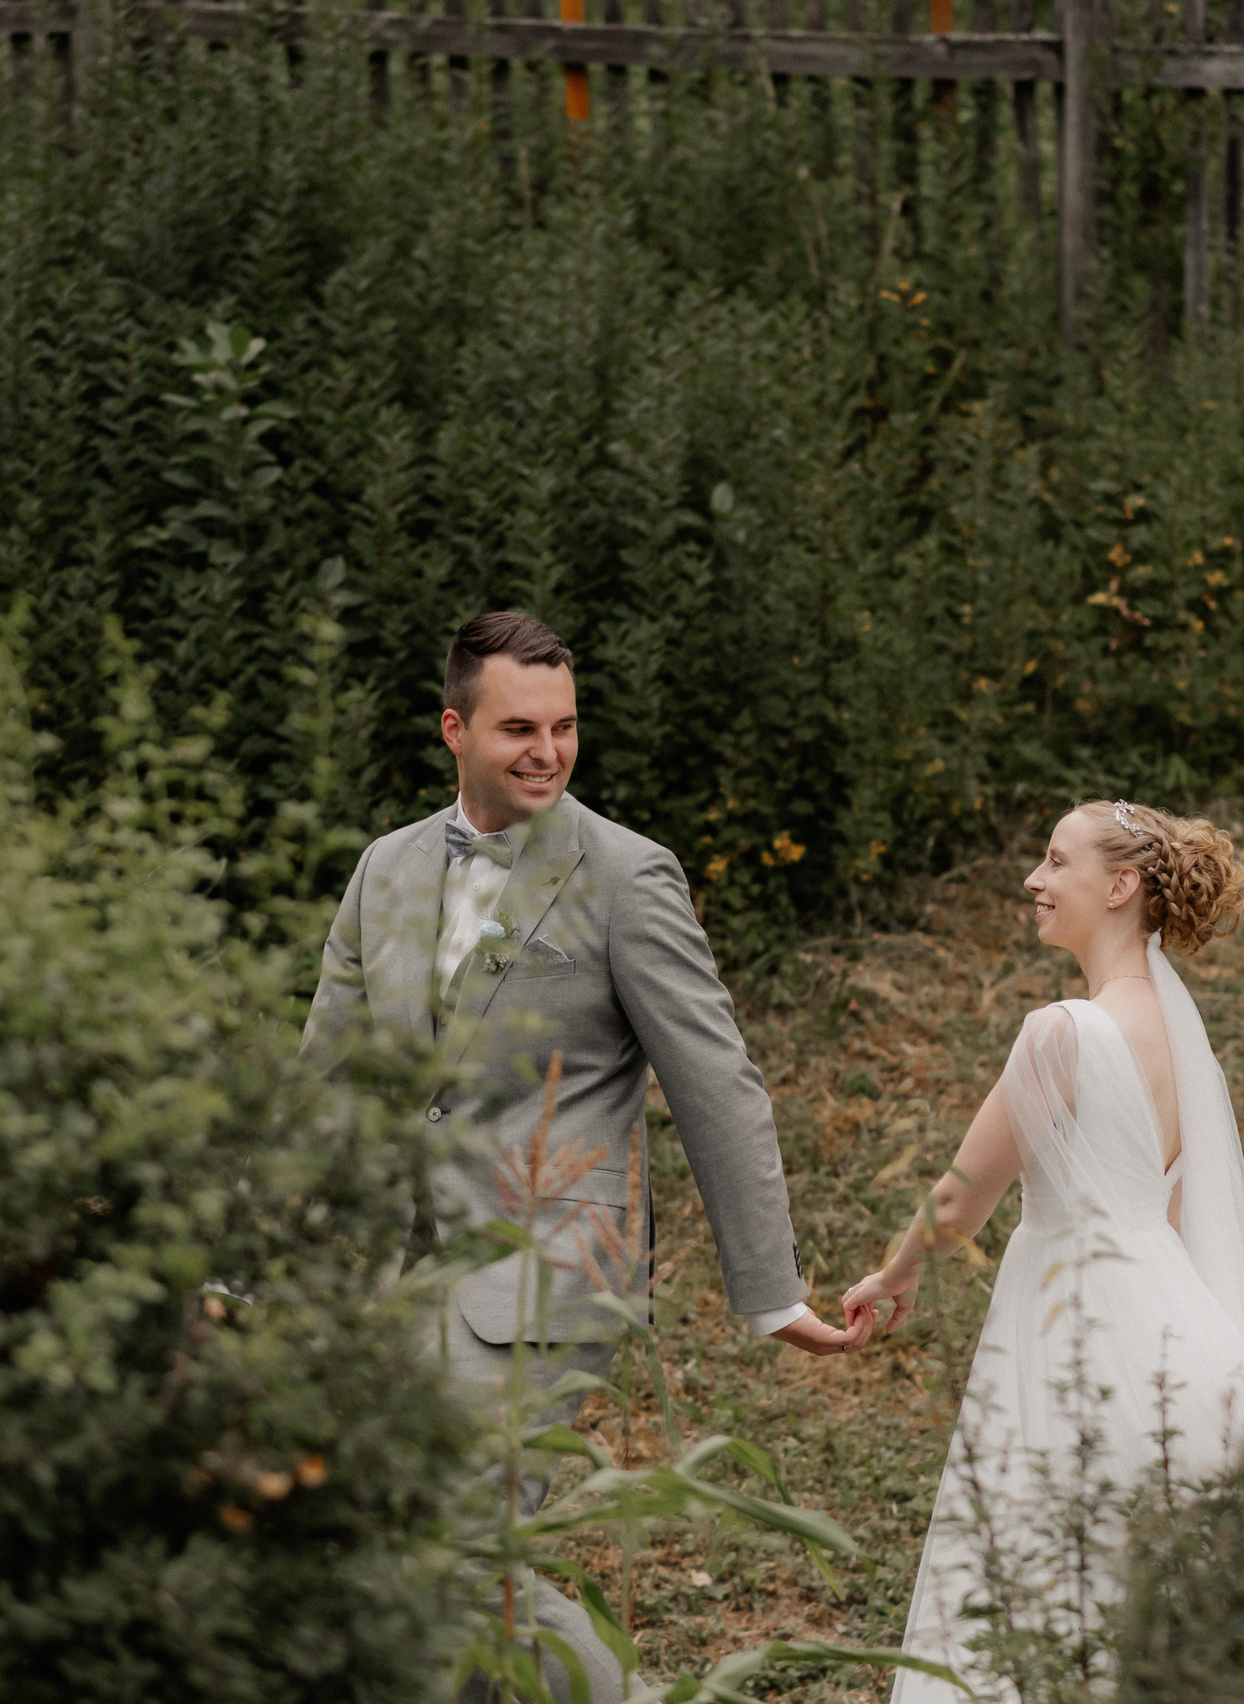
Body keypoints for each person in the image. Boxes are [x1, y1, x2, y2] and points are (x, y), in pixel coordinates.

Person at [302, 611, 859, 1704]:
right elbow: (324, 1076)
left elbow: (717, 1083)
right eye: (518, 729)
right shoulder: (386, 868)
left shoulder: (626, 875)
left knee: (458, 1547)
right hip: (392, 1276)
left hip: (547, 1269)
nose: (547, 751)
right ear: (454, 730)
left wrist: (770, 1289)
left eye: (563, 727)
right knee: (394, 1549)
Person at [841, 800, 1244, 1704]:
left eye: (1055, 862)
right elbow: (1174, 1208)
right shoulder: (1182, 1044)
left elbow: (960, 1202)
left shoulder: (1063, 1032)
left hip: (1067, 1319)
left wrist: (894, 1275)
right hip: (1168, 1320)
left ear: (1120, 886)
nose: (1033, 881)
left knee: (1040, 1563)